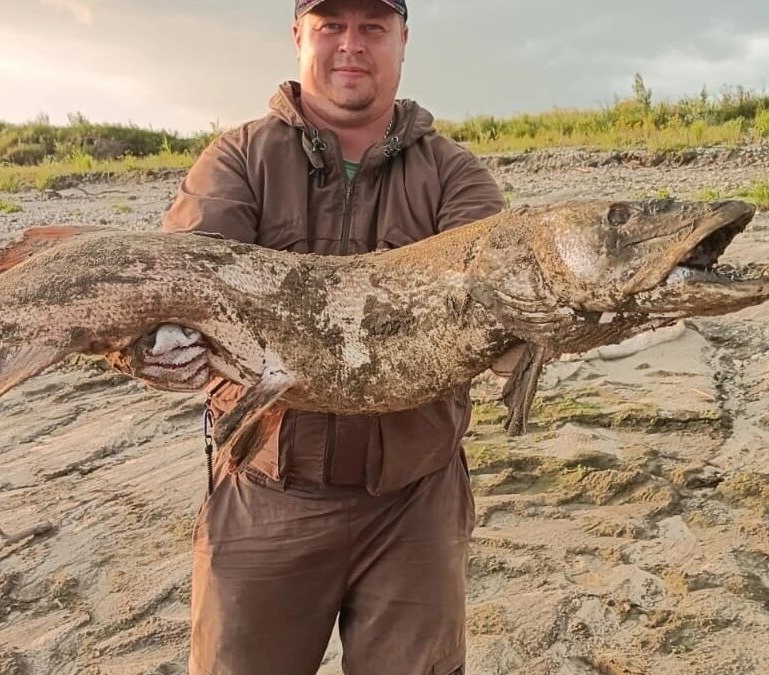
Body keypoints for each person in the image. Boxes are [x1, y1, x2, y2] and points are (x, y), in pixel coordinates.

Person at [112, 0, 510, 672]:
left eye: (372, 28)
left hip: (415, 504)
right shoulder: (240, 158)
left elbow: (497, 301)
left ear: (403, 40)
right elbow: (177, 282)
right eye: (331, 26)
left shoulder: (453, 175)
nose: (351, 45)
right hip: (266, 495)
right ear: (299, 35)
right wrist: (155, 346)